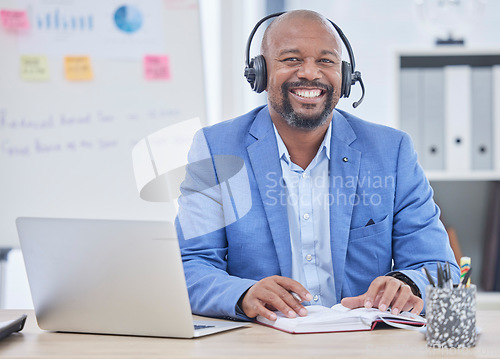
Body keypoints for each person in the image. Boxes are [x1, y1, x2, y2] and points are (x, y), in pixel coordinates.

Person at [175, 10, 459, 322]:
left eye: (326, 61)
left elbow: (438, 267)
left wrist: (408, 285)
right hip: (262, 342)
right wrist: (243, 295)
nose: (310, 73)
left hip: (363, 343)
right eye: (291, 59)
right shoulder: (215, 149)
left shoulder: (392, 151)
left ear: (346, 76)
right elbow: (190, 265)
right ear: (260, 72)